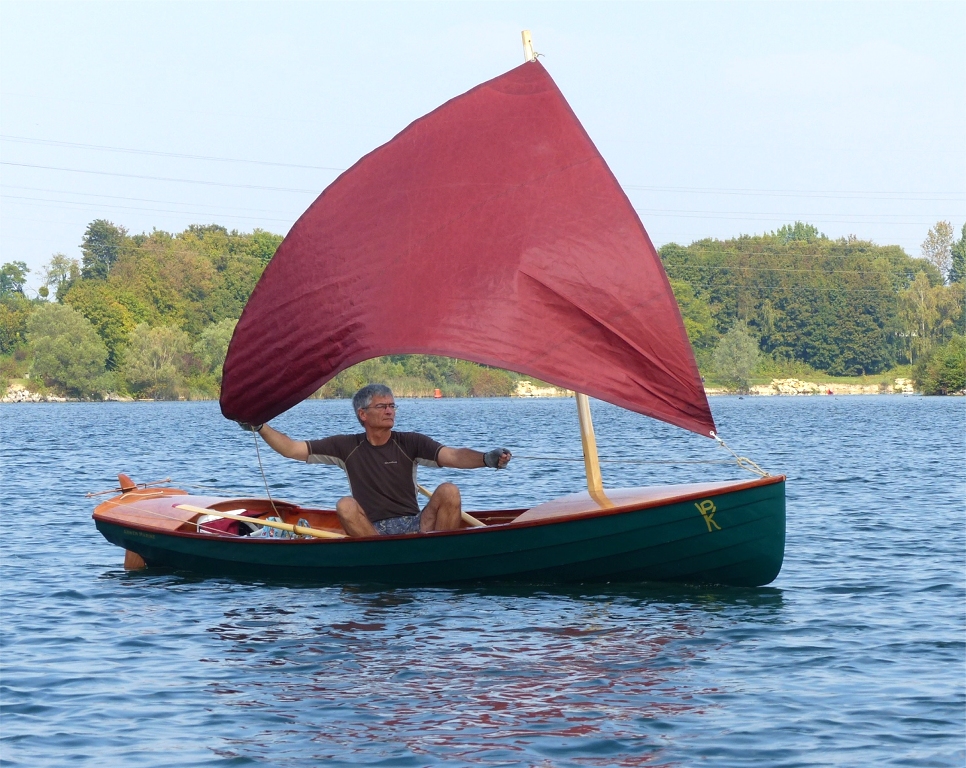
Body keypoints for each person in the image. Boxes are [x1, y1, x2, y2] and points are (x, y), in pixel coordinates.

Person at [239, 384, 511, 537]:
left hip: (414, 524)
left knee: (449, 490)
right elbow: (292, 449)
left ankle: (443, 553)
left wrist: (486, 459)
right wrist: (260, 426)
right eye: (383, 407)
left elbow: (452, 456)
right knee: (345, 505)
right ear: (363, 414)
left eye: (393, 406)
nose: (390, 411)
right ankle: (380, 555)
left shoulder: (410, 442)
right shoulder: (345, 446)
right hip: (373, 532)